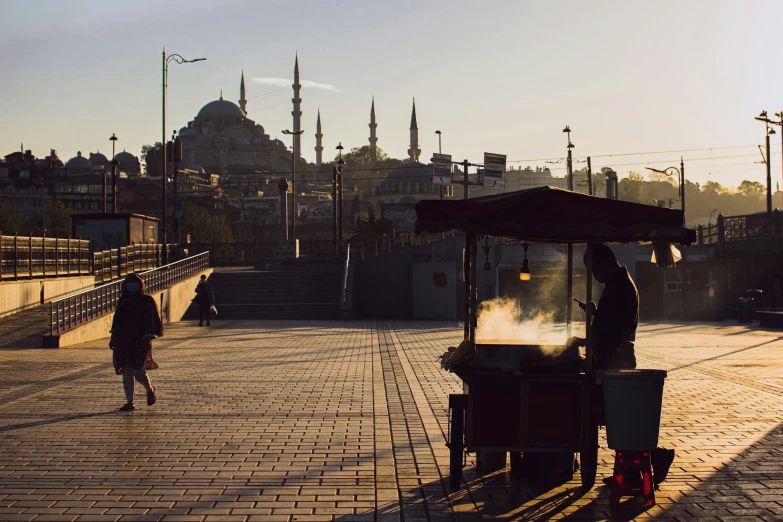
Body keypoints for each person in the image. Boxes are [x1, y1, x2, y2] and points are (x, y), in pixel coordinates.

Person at [571, 244, 675, 488]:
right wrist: (597, 314)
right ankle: (629, 472)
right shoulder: (618, 283)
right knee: (621, 418)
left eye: (594, 270)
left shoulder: (618, 286)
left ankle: (656, 456)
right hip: (617, 357)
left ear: (604, 263)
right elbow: (611, 321)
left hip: (617, 360)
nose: (594, 276)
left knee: (622, 418)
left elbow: (613, 331)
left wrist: (585, 342)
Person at [109, 273, 163, 412]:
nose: (131, 286)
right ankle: (130, 401)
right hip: (123, 340)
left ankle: (149, 389)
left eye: (135, 283)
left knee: (138, 370)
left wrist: (149, 337)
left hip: (140, 340)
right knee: (126, 369)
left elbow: (149, 321)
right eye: (129, 283)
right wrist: (113, 337)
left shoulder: (146, 301)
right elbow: (117, 321)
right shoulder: (123, 300)